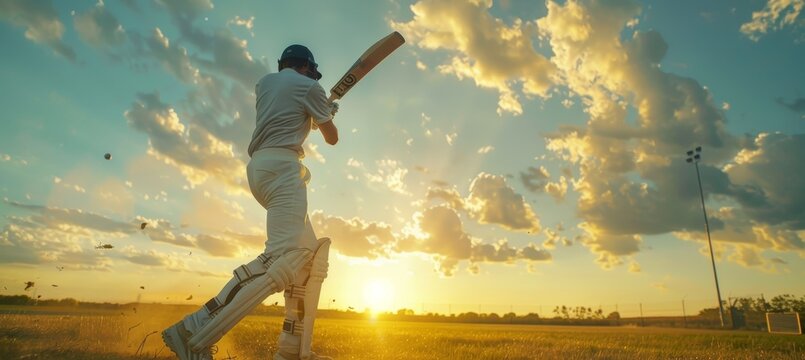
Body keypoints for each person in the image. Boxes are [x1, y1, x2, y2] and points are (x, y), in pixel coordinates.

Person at [162, 44, 339, 360]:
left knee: (310, 261)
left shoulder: (266, 84)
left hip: (260, 169)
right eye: (315, 72)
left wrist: (320, 111)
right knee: (279, 260)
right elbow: (332, 137)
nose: (316, 77)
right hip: (285, 170)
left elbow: (290, 118)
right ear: (306, 67)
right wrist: (325, 112)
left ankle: (294, 350)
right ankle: (193, 331)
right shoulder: (311, 87)